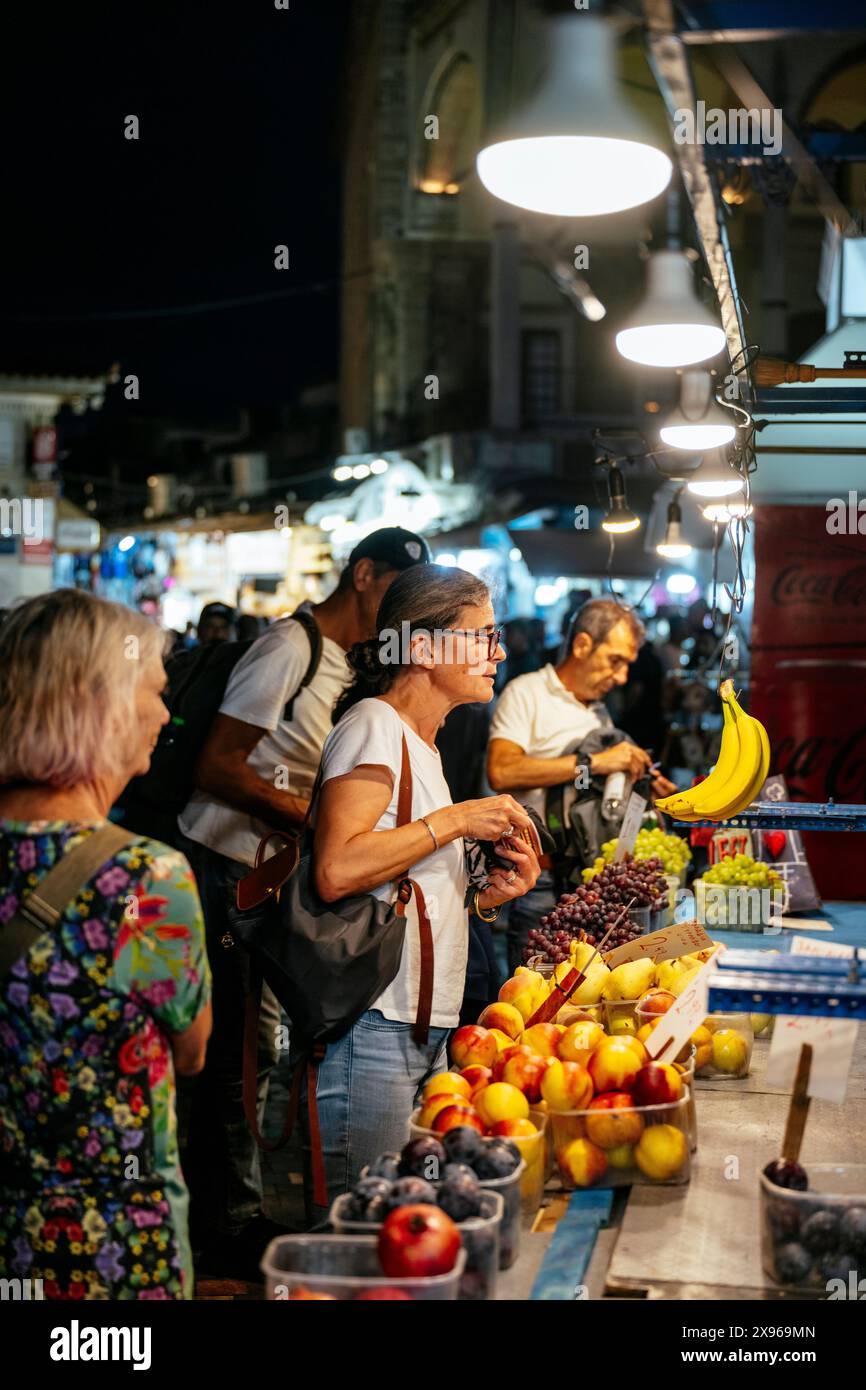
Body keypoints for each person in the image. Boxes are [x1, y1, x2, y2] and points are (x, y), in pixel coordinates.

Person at [175, 527, 431, 1271]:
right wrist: (312, 816)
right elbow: (218, 764)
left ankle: (242, 1208)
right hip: (225, 874)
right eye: (396, 592)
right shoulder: (291, 649)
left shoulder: (351, 664)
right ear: (363, 577)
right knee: (235, 1054)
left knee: (263, 1049)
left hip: (268, 877)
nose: (404, 609)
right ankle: (229, 1226)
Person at [0, 590, 212, 1300]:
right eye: (154, 694)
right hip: (114, 1250)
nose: (165, 715)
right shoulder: (147, 879)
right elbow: (192, 1051)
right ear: (101, 705)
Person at [310, 564, 540, 1213]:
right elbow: (337, 868)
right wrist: (459, 818)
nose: (499, 653)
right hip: (374, 1026)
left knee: (405, 1219)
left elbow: (405, 884)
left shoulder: (422, 746)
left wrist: (487, 894)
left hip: (417, 1028)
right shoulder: (372, 726)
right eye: (482, 637)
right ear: (421, 647)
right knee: (373, 1231)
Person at [487, 599, 678, 972]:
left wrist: (637, 779)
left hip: (589, 884)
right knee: (533, 995)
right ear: (582, 646)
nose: (622, 677)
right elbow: (502, 771)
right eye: (616, 660)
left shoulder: (597, 710)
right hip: (538, 879)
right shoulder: (527, 693)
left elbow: (587, 783)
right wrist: (597, 763)